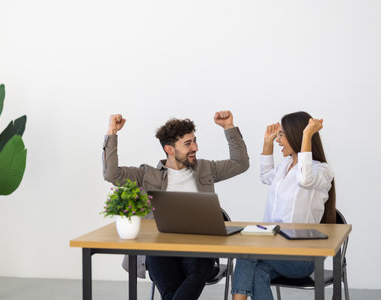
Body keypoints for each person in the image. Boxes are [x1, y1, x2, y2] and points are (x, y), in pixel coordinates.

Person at [102, 110, 250, 300]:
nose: (195, 147)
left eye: (195, 141)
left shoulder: (206, 168)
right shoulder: (147, 175)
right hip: (161, 249)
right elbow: (111, 175)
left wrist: (229, 127)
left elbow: (240, 163)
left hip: (200, 249)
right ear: (170, 150)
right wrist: (112, 132)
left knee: (187, 281)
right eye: (188, 144)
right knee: (170, 287)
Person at [231, 111, 336, 300]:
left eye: (281, 135)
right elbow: (265, 176)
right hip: (275, 250)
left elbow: (305, 179)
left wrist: (307, 135)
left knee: (246, 253)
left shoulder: (321, 171)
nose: (278, 140)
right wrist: (267, 142)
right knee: (257, 272)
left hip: (302, 256)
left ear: (296, 136)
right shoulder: (286, 165)